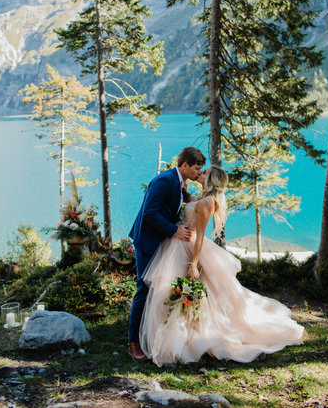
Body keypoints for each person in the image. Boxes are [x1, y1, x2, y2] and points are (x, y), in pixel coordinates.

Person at [139, 165, 304, 367]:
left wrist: (194, 264)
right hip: (178, 244)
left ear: (211, 180)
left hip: (190, 249)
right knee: (175, 293)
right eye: (201, 170)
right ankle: (180, 336)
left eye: (204, 172)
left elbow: (199, 236)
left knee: (190, 294)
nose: (200, 173)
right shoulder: (202, 197)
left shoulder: (208, 202)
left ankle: (188, 339)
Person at [128, 146, 206, 361]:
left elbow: (177, 200)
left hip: (164, 243)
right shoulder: (165, 180)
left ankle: (157, 334)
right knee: (144, 288)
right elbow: (150, 212)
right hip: (148, 242)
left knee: (166, 287)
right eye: (197, 169)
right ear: (184, 165)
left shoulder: (179, 181)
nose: (199, 172)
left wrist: (195, 188)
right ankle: (133, 343)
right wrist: (174, 230)